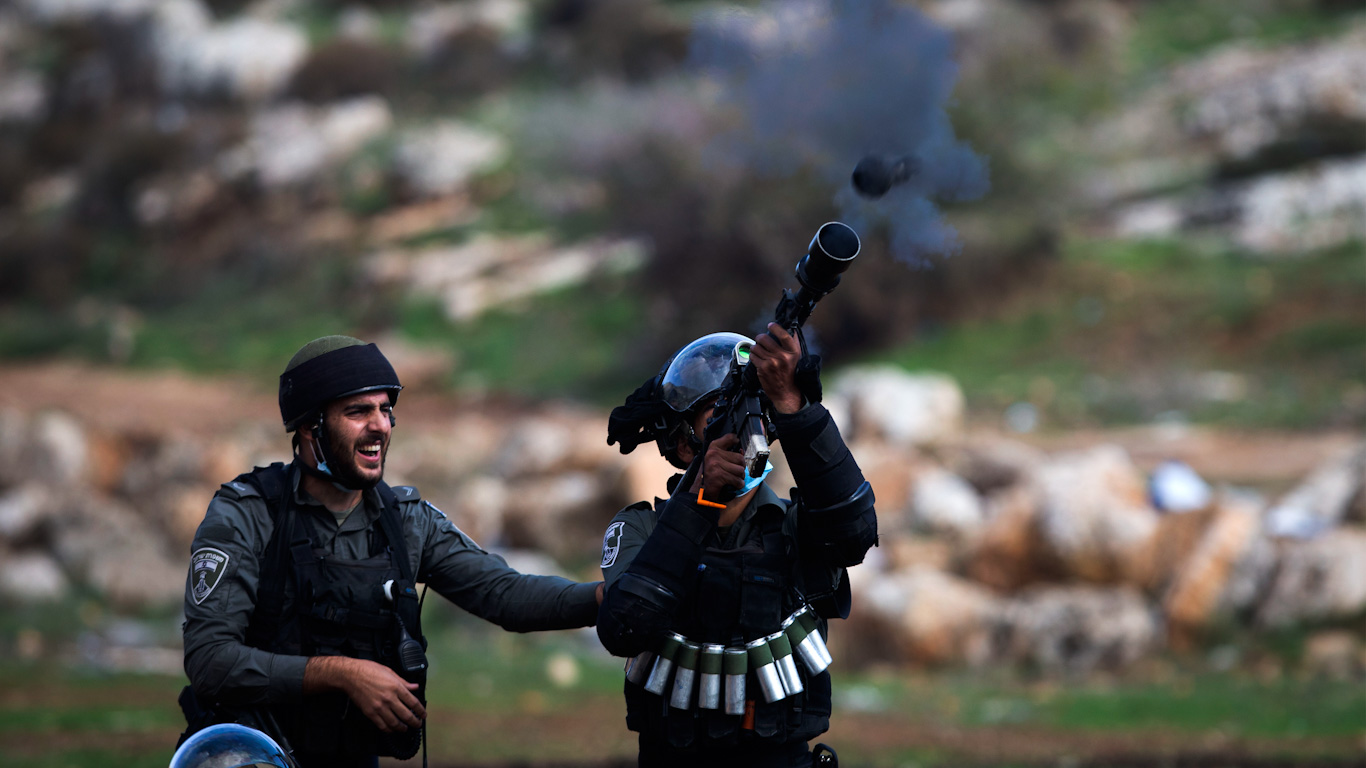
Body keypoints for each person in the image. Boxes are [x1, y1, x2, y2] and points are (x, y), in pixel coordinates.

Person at [180, 335, 603, 768]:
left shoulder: (404, 520)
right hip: (248, 757)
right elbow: (210, 660)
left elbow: (506, 595)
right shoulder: (247, 514)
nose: (380, 426)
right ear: (311, 427)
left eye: (385, 410)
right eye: (358, 411)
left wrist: (604, 599)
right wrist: (342, 674)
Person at [596, 324, 878, 768]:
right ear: (684, 442)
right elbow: (625, 627)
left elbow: (855, 533)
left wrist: (794, 407)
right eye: (720, 419)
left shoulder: (793, 526)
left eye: (757, 416)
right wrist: (700, 500)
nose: (747, 432)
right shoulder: (642, 528)